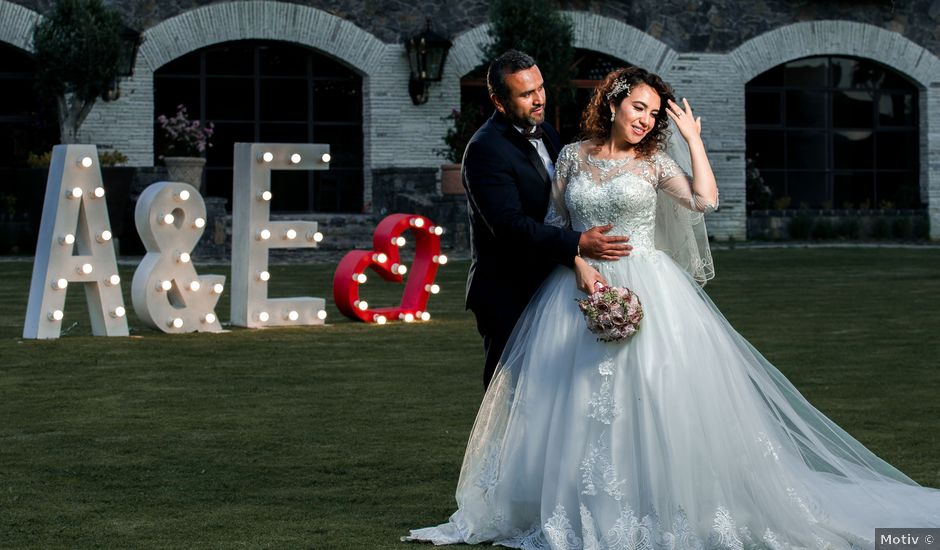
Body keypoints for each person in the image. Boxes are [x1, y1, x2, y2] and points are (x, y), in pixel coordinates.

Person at [405, 67, 940, 548]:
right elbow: (554, 223)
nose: (644, 120)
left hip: (652, 287)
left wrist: (693, 140)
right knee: (569, 400)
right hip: (578, 288)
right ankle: (573, 507)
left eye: (654, 114)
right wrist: (580, 263)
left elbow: (704, 202)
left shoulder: (656, 161)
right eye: (638, 107)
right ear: (613, 103)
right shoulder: (570, 153)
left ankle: (664, 503)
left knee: (658, 393)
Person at [462, 50, 631, 389]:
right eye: (526, 94)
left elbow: (559, 205)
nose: (538, 99)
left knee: (552, 395)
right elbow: (509, 226)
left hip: (550, 283)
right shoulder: (485, 150)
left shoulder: (548, 132)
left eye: (540, 88)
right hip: (508, 291)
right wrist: (578, 244)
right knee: (511, 394)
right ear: (498, 100)